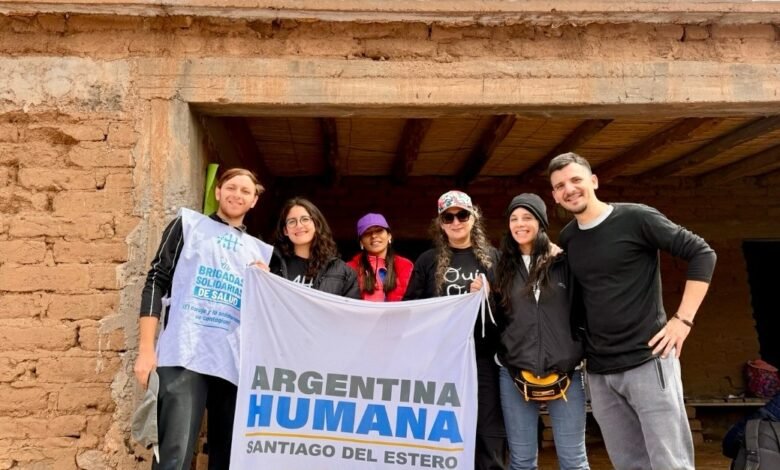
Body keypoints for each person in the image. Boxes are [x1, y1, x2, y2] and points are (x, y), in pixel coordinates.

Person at [548, 152, 717, 470]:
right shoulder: (569, 237)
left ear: (593, 181)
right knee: (628, 463)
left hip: (648, 359)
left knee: (670, 463)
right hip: (600, 372)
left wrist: (683, 320)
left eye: (575, 180)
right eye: (560, 186)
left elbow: (702, 254)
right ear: (555, 195)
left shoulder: (637, 218)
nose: (569, 189)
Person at [134, 168, 269, 469]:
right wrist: (146, 349)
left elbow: (265, 314)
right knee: (174, 453)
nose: (237, 195)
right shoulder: (188, 225)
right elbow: (156, 280)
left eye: (245, 191)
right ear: (218, 192)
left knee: (228, 457)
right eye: (231, 187)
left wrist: (266, 284)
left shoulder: (258, 251)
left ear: (254, 201)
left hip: (233, 362)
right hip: (184, 354)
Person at [404, 190, 507, 470]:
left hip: (483, 357)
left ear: (474, 217)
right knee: (443, 428)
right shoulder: (427, 260)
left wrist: (490, 294)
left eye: (462, 215)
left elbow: (510, 308)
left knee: (487, 428)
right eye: (448, 217)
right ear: (440, 223)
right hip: (441, 361)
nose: (456, 222)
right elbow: (410, 307)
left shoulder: (494, 258)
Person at [494, 193, 589, 470]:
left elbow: (584, 308)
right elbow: (496, 318)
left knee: (574, 461)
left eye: (527, 217)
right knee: (522, 461)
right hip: (514, 372)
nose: (520, 224)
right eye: (514, 218)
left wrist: (577, 349)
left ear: (541, 223)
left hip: (566, 372)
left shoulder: (564, 263)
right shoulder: (500, 268)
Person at [269, 197, 360, 298]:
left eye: (305, 219)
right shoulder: (271, 266)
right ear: (285, 230)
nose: (299, 225)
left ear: (316, 224)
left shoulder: (343, 272)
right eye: (292, 221)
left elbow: (350, 307)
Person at [346, 212, 414, 301]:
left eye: (379, 230)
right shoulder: (349, 268)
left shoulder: (405, 265)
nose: (374, 236)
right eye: (367, 233)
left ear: (389, 236)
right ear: (361, 242)